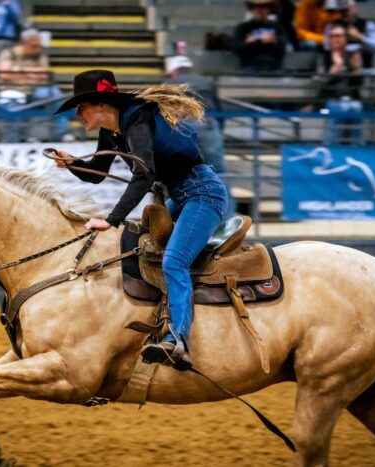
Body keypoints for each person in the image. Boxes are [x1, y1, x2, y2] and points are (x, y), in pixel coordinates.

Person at [53, 69, 229, 369]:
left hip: (202, 194)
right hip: (183, 195)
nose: (78, 114)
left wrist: (112, 219)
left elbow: (144, 173)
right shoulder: (112, 130)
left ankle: (177, 340)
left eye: (81, 107)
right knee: (143, 245)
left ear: (100, 104)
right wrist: (73, 164)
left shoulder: (136, 120)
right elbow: (98, 172)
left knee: (174, 261)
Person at [163, 55, 234, 215]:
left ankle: (179, 218)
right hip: (207, 126)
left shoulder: (167, 84)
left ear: (171, 71)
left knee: (179, 175)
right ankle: (227, 218)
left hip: (180, 128)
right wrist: (216, 129)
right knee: (219, 172)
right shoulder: (206, 81)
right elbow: (218, 109)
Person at [0, 28, 69, 141]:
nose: (38, 49)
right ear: (24, 43)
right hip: (13, 92)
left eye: (39, 46)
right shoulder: (9, 53)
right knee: (13, 108)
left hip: (35, 91)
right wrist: (33, 73)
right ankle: (13, 142)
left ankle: (62, 133)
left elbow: (44, 76)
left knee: (54, 93)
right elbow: (5, 75)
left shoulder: (40, 56)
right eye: (34, 46)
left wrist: (19, 71)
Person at [318, 20, 363, 145]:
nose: (334, 39)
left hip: (352, 99)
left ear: (345, 38)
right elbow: (321, 80)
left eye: (338, 36)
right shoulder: (324, 56)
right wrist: (333, 72)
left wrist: (356, 69)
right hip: (332, 98)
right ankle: (331, 148)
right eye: (332, 36)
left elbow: (360, 82)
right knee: (338, 109)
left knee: (355, 107)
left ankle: (357, 150)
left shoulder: (353, 55)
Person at [232, 0, 287, 75]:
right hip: (250, 66)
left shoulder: (277, 27)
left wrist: (252, 42)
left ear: (269, 9)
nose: (259, 9)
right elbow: (237, 48)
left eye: (264, 7)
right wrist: (263, 41)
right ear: (251, 9)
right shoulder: (243, 27)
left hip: (274, 66)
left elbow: (281, 48)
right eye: (256, 7)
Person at [328, 0, 375, 70]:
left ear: (354, 7)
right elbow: (327, 46)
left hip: (364, 68)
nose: (344, 12)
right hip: (338, 66)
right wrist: (341, 42)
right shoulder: (332, 26)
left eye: (346, 9)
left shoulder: (367, 24)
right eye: (341, 9)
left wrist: (360, 38)